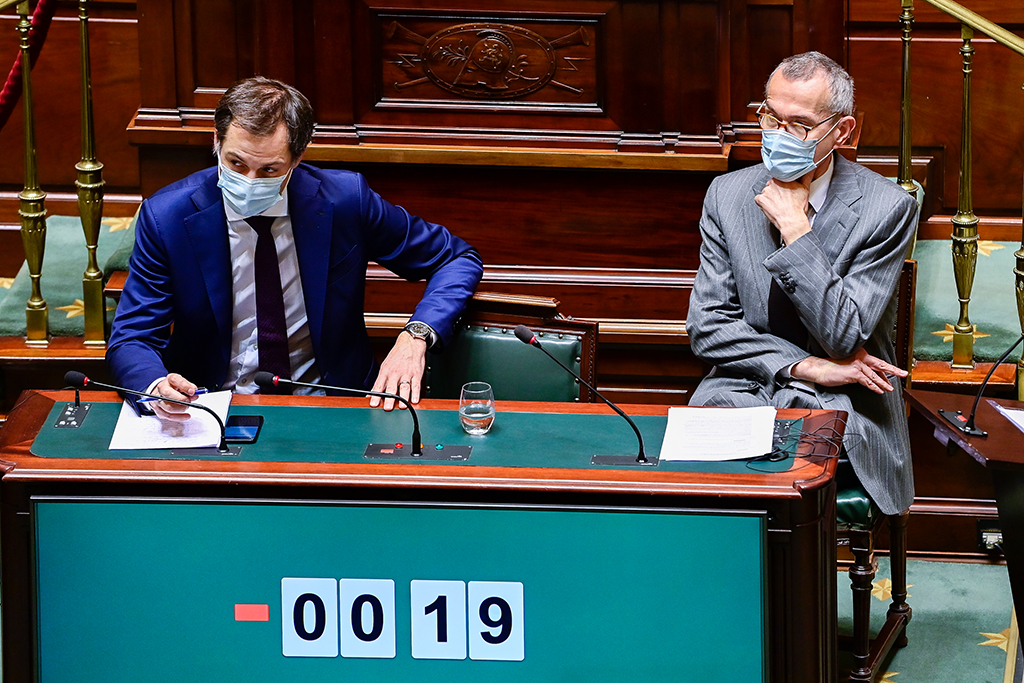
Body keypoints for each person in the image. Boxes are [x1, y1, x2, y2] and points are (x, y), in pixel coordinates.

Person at [107, 77, 483, 419]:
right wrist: (156, 386)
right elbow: (132, 337)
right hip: (210, 409)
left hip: (335, 403)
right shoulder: (168, 217)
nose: (248, 181)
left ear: (297, 159)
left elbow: (455, 257)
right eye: (235, 163)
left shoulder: (345, 201)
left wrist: (415, 335)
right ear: (216, 142)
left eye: (269, 170)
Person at [687, 52, 918, 516]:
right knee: (700, 488)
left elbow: (843, 336)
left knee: (792, 486)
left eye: (798, 124)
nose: (776, 135)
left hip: (842, 402)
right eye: (770, 116)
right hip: (742, 387)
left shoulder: (887, 207)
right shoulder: (727, 194)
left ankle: (797, 587)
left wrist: (796, 230)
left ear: (842, 132)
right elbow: (708, 328)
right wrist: (807, 366)